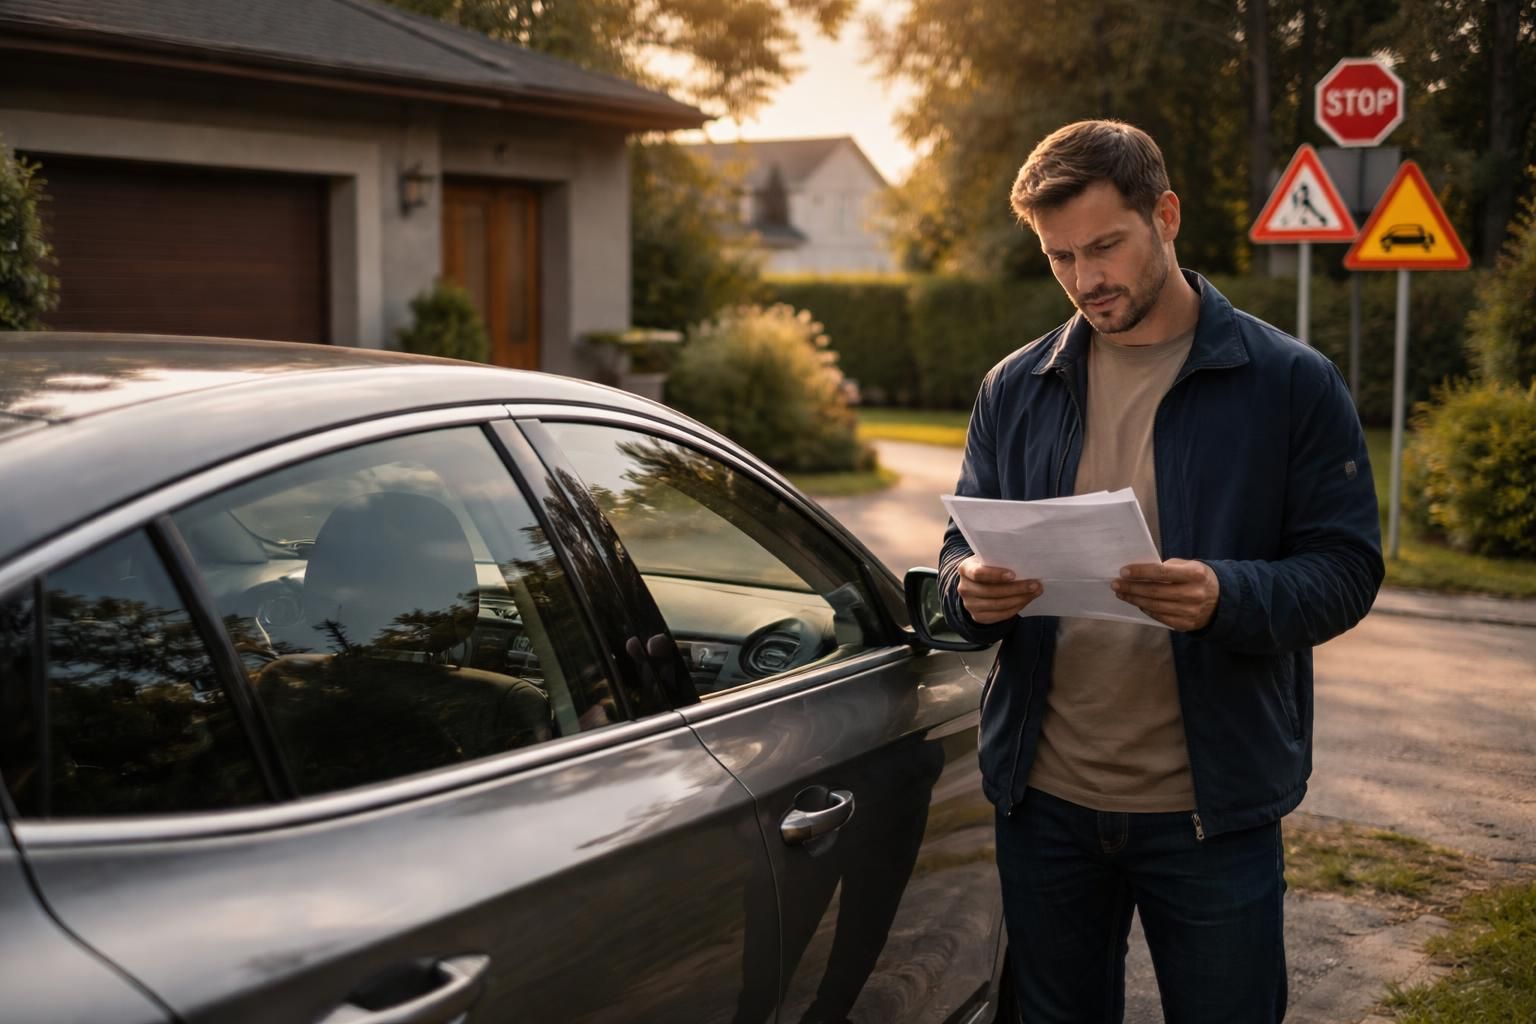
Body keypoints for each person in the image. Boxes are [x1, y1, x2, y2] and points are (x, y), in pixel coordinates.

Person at [938, 120, 1384, 1023]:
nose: (1086, 279)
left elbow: (1346, 568)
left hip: (1209, 812)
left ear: (1166, 216)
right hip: (1045, 802)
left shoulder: (1289, 382)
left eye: (1106, 246)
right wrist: (967, 590)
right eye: (1061, 258)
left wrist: (1229, 595)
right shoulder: (1014, 386)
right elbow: (959, 547)